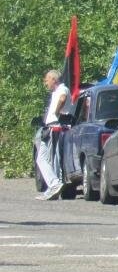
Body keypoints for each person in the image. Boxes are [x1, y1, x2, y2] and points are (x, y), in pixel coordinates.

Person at [35, 69, 70, 200]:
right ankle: (53, 186)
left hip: (55, 127)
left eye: (47, 80)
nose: (46, 83)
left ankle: (55, 184)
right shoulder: (56, 92)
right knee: (43, 158)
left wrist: (56, 111)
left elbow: (63, 98)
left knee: (49, 158)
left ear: (54, 80)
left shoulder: (62, 89)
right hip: (49, 128)